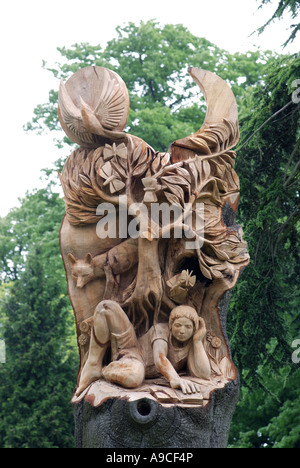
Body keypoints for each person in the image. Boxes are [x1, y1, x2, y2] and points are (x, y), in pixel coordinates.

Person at [76, 300, 211, 396]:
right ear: (171, 325)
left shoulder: (191, 343)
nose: (182, 331)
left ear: (194, 329)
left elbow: (204, 374)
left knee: (133, 377)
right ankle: (94, 364)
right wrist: (175, 379)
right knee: (105, 307)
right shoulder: (161, 330)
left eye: (188, 327)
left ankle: (104, 371)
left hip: (136, 365)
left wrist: (198, 341)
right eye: (178, 325)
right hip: (132, 351)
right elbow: (160, 358)